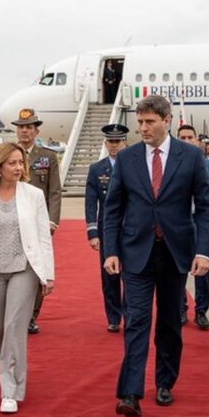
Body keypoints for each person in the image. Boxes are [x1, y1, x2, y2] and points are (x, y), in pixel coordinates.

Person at [104, 95, 209, 417]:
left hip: (174, 253)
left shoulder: (191, 157)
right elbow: (113, 208)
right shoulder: (127, 159)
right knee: (136, 320)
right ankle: (130, 393)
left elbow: (207, 207)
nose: (143, 128)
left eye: (149, 122)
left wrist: (203, 251)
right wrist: (110, 250)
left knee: (169, 322)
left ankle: (165, 382)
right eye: (139, 122)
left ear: (167, 120)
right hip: (135, 252)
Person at [0, 142, 54, 414]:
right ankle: (8, 369)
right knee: (0, 328)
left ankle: (10, 390)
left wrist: (47, 274)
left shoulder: (33, 195)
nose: (18, 168)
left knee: (15, 326)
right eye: (12, 163)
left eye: (21, 163)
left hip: (23, 270)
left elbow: (42, 237)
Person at [12, 108, 61, 334]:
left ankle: (32, 315)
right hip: (11, 219)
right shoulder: (6, 154)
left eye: (29, 127)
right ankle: (15, 312)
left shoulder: (47, 156)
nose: (24, 131)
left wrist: (52, 221)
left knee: (37, 269)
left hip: (37, 221)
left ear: (36, 130)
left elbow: (54, 191)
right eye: (21, 127)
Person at [86, 124, 129, 332]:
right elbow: (90, 202)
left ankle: (130, 314)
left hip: (131, 228)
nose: (114, 146)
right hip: (107, 229)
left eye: (118, 141)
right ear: (106, 143)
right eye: (111, 142)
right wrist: (92, 232)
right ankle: (114, 317)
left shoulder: (135, 165)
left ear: (125, 143)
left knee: (131, 273)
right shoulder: (97, 169)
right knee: (109, 275)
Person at [175, 124, 209, 329]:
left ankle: (201, 310)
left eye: (190, 137)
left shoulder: (207, 165)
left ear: (198, 140)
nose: (187, 141)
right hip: (179, 223)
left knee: (203, 270)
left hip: (198, 221)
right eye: (182, 137)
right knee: (178, 268)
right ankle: (181, 308)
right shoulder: (170, 162)